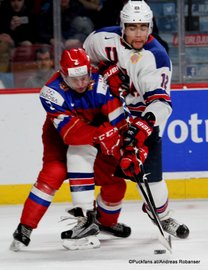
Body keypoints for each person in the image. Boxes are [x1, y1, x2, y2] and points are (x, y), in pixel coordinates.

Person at [83, 0, 190, 239]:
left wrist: (142, 128)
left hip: (143, 119)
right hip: (109, 116)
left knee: (151, 181)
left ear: (150, 26)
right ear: (122, 26)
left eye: (143, 27)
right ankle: (89, 217)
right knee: (90, 168)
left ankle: (161, 216)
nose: (139, 33)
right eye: (132, 27)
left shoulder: (157, 58)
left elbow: (162, 104)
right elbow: (82, 70)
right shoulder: (99, 40)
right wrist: (103, 72)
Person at [10, 48, 134, 252]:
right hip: (60, 138)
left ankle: (104, 222)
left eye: (84, 77)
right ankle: (25, 227)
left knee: (115, 182)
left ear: (89, 71)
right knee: (52, 175)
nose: (81, 83)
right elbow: (71, 134)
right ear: (62, 74)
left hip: (98, 133)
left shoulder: (100, 81)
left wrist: (125, 141)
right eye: (74, 79)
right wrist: (102, 134)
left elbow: (118, 118)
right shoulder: (50, 92)